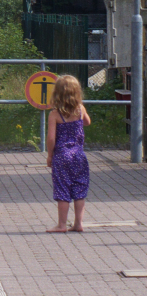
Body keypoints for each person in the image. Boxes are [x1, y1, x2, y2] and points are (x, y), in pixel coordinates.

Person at [46, 74, 90, 233]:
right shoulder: (80, 109)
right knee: (79, 188)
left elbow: (51, 138)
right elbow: (87, 122)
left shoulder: (54, 115)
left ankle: (62, 225)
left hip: (62, 156)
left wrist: (50, 155)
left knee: (63, 189)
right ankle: (78, 223)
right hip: (79, 155)